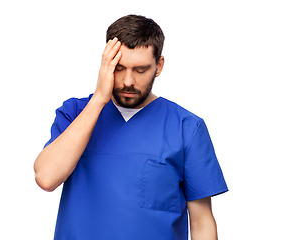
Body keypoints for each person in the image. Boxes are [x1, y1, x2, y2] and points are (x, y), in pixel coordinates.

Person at [34, 14, 228, 240]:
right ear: (106, 64)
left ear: (159, 66)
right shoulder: (75, 113)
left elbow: (202, 222)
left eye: (140, 69)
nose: (128, 81)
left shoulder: (186, 128)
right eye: (119, 68)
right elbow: (46, 178)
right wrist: (99, 99)